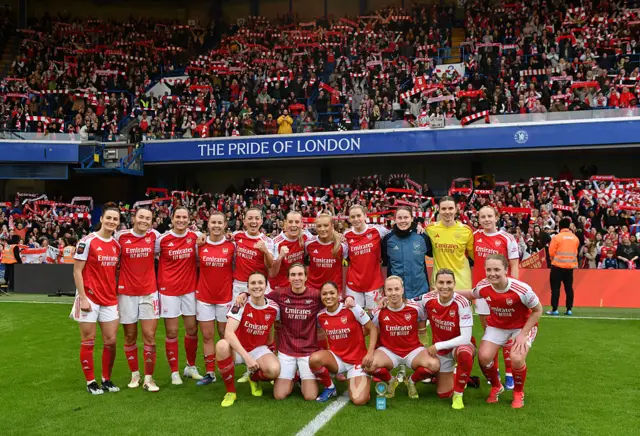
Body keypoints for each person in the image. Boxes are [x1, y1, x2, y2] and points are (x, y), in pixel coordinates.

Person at [458, 254, 543, 409]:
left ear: (506, 270)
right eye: (489, 269)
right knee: (483, 357)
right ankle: (497, 386)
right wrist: (448, 291)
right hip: (497, 326)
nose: (492, 273)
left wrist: (523, 335)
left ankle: (518, 392)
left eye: (497, 269)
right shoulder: (484, 286)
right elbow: (471, 294)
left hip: (521, 327)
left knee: (516, 358)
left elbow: (538, 310)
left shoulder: (521, 289)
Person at [70, 203, 122, 395]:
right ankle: (91, 381)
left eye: (115, 219)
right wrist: (82, 297)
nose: (111, 222)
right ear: (101, 219)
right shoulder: (88, 241)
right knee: (88, 340)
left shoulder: (117, 245)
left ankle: (106, 379)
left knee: (111, 340)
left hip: (109, 298)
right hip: (89, 298)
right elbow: (77, 271)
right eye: (108, 218)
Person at [367, 276, 440, 400]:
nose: (394, 293)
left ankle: (411, 381)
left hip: (412, 350)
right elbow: (366, 326)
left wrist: (424, 343)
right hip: (388, 351)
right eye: (390, 290)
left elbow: (423, 319)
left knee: (434, 365)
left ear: (402, 290)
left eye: (397, 289)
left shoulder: (415, 307)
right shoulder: (379, 311)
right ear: (385, 292)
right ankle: (391, 381)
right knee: (368, 365)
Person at [215, 272, 281, 407]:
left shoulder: (274, 307)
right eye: (253, 283)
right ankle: (230, 392)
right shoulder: (241, 304)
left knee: (274, 370)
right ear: (248, 287)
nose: (257, 286)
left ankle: (253, 377)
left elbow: (270, 331)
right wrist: (247, 358)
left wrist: (273, 351)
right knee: (222, 345)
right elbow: (228, 333)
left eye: (260, 283)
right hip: (238, 348)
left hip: (257, 348)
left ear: (266, 286)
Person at [473, 206, 521, 390]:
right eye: (482, 216)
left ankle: (510, 373)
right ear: (479, 219)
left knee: (507, 335)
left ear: (496, 217)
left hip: (503, 293)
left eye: (489, 216)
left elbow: (514, 266)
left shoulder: (508, 238)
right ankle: (496, 373)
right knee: (490, 335)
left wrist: (513, 290)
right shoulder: (475, 236)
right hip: (484, 293)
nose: (486, 219)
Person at [114, 208, 161, 392]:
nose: (144, 221)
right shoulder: (121, 237)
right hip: (126, 293)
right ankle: (135, 374)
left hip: (149, 292)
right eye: (141, 217)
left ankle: (149, 379)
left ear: (152, 221)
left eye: (148, 218)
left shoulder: (155, 237)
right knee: (130, 336)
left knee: (149, 336)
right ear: (134, 218)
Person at [155, 206, 203, 384]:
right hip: (168, 291)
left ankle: (190, 367)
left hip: (190, 290)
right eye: (178, 217)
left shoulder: (195, 238)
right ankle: (174, 372)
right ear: (172, 218)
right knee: (172, 331)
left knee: (192, 329)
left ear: (189, 219)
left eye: (185, 217)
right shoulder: (162, 240)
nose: (181, 220)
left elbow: (200, 259)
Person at [310, 281, 378, 405]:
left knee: (359, 400)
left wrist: (370, 353)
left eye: (332, 293)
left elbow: (372, 329)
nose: (328, 296)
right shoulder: (321, 315)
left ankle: (359, 378)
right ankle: (330, 387)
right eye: (324, 294)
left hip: (357, 361)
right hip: (337, 359)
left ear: (338, 295)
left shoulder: (352, 308)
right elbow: (319, 336)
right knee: (314, 359)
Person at [422, 269, 475, 410]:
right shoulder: (427, 299)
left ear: (454, 284)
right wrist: (384, 300)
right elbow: (408, 304)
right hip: (442, 352)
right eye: (441, 282)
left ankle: (458, 394)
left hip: (460, 346)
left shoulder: (462, 303)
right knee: (443, 394)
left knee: (464, 352)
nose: (445, 286)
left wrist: (437, 345)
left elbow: (465, 338)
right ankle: (457, 374)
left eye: (449, 282)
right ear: (435, 284)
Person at [195, 212, 236, 386]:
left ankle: (228, 369)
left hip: (225, 297)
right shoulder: (200, 244)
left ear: (225, 224)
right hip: (204, 296)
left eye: (220, 222)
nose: (216, 225)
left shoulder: (232, 245)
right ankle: (210, 373)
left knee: (225, 335)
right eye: (213, 222)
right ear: (208, 224)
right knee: (207, 335)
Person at [343, 205, 390, 310]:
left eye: (358, 215)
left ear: (365, 216)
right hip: (353, 283)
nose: (356, 219)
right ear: (349, 219)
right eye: (353, 217)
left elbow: (395, 235)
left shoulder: (378, 230)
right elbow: (345, 255)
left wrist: (416, 227)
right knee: (355, 317)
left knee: (374, 316)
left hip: (374, 282)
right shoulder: (346, 235)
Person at [381, 207, 433, 299]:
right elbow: (384, 260)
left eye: (406, 217)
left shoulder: (422, 237)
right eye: (399, 218)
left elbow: (431, 253)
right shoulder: (388, 239)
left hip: (420, 291)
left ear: (412, 219)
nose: (403, 221)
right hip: (396, 293)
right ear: (395, 219)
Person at [425, 196, 474, 290]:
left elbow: (474, 256)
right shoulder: (430, 229)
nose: (447, 212)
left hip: (462, 284)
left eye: (450, 208)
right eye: (443, 209)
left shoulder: (466, 231)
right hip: (439, 284)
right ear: (438, 210)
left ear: (456, 209)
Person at [232, 208, 275, 297]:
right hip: (240, 285)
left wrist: (265, 251)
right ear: (244, 221)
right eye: (250, 218)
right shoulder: (237, 236)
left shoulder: (267, 241)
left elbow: (270, 265)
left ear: (261, 221)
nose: (253, 221)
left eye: (257, 218)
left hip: (258, 284)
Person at [305, 214, 347, 293]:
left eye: (326, 225)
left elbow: (346, 266)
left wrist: (344, 290)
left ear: (332, 226)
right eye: (319, 226)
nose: (322, 229)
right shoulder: (308, 243)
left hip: (334, 290)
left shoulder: (342, 245)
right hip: (312, 289)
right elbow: (304, 262)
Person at [547, 217, 579, 316]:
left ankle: (555, 309)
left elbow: (551, 252)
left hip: (557, 266)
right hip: (570, 267)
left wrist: (554, 260)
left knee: (555, 289)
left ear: (560, 226)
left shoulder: (557, 237)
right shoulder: (575, 238)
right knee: (569, 288)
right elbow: (576, 252)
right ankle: (569, 309)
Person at [269, 211, 307, 290]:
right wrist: (280, 257)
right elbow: (272, 273)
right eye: (290, 222)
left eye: (297, 222)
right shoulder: (276, 242)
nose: (293, 225)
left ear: (301, 224)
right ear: (285, 224)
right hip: (280, 287)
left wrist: (338, 235)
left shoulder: (305, 237)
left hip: (298, 286)